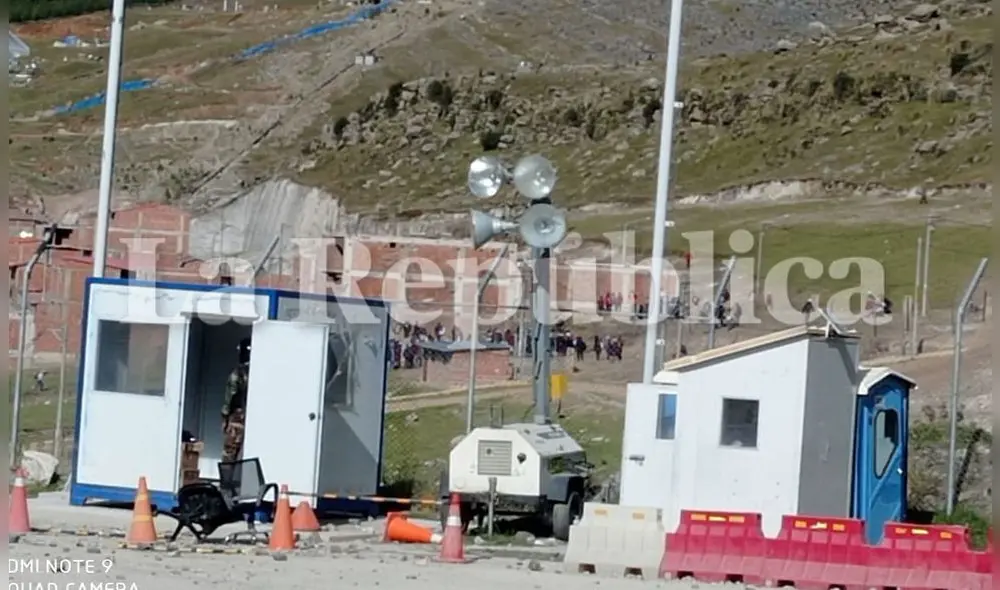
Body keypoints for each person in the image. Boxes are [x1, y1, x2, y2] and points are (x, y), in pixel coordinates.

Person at [222, 338, 251, 463]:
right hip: (251, 416)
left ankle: (227, 480)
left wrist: (225, 417)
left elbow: (230, 397)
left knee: (230, 453)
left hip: (237, 418)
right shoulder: (259, 371)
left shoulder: (238, 374)